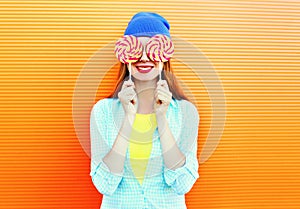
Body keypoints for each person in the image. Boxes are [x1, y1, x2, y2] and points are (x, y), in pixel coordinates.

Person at [90, 12, 200, 209]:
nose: (143, 57)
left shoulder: (186, 113)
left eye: (152, 48)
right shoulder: (102, 112)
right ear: (125, 55)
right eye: (136, 49)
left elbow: (182, 183)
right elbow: (105, 184)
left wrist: (162, 118)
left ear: (165, 55)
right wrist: (128, 118)